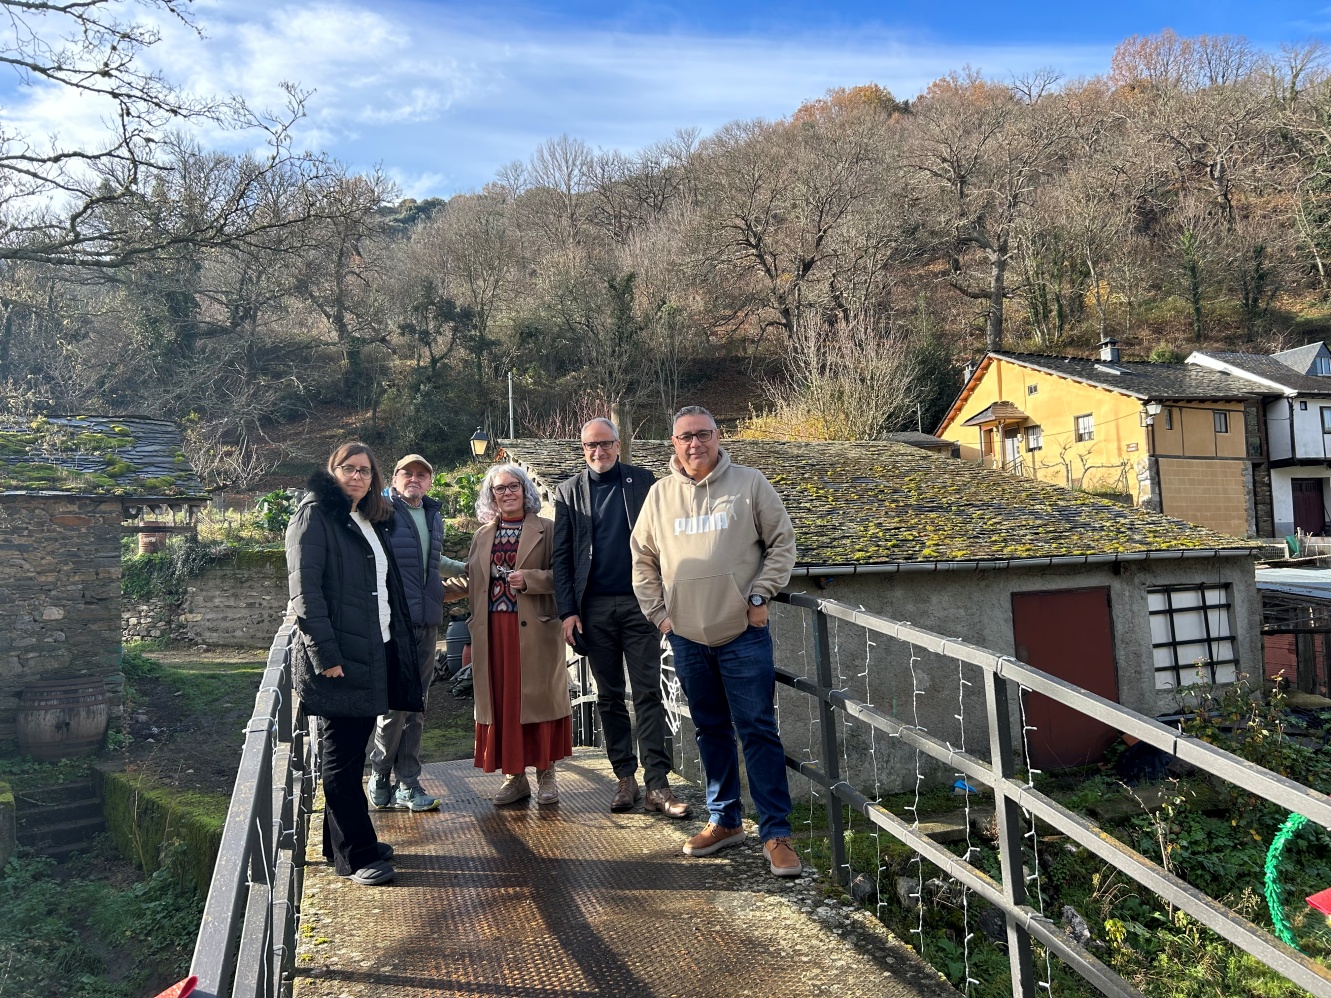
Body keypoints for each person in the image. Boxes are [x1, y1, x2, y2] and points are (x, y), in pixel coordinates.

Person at [630, 406, 801, 877]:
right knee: (709, 730)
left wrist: (762, 594)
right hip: (686, 635)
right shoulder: (660, 496)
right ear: (674, 443)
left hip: (742, 633)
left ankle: (776, 833)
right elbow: (642, 559)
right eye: (685, 436)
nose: (695, 443)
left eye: (703, 434)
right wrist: (660, 615)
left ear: (718, 436)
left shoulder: (749, 484)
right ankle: (724, 820)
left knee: (758, 730)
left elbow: (782, 541)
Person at [286, 442, 422, 886]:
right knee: (342, 760)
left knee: (353, 749)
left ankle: (338, 841)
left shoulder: (365, 517)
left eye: (365, 470)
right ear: (333, 469)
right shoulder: (314, 515)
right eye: (349, 468)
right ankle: (355, 854)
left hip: (373, 649)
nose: (358, 476)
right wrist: (326, 656)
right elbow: (306, 593)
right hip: (339, 658)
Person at [553, 417, 688, 818]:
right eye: (591, 446)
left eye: (606, 444)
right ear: (583, 449)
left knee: (648, 692)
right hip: (592, 608)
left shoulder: (642, 482)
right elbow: (562, 558)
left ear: (618, 445)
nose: (599, 452)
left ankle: (658, 783)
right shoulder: (568, 492)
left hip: (639, 603)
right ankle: (624, 778)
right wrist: (567, 611)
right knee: (609, 696)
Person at [451, 464, 572, 805]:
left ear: (525, 490)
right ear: (491, 496)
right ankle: (515, 777)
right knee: (504, 704)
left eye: (513, 486)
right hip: (493, 632)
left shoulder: (547, 529)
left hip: (535, 631)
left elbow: (566, 577)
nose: (507, 493)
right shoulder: (482, 535)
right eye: (499, 488)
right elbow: (473, 581)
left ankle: (546, 775)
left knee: (537, 701)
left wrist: (530, 579)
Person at [367, 453, 470, 813]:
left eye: (421, 474)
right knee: (395, 706)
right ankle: (380, 773)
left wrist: (471, 567)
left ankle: (407, 784)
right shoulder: (380, 512)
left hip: (427, 622)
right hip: (393, 623)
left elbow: (433, 560)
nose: (414, 479)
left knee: (418, 707)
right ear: (394, 478)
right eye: (406, 473)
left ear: (430, 481)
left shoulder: (432, 514)